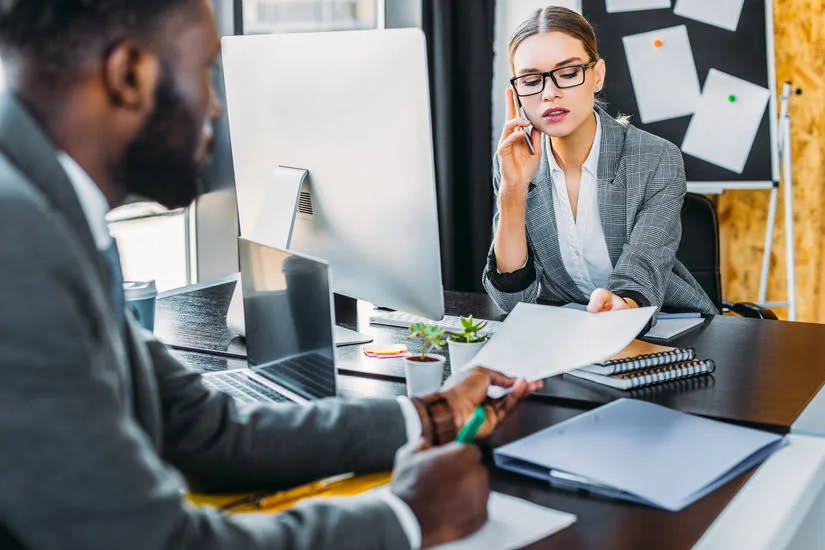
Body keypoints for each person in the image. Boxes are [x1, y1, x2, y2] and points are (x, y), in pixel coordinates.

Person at [0, 2, 540, 549]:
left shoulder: (48, 212)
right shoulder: (16, 239)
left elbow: (205, 430)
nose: (214, 107)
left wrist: (430, 416)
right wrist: (407, 519)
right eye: (206, 74)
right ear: (130, 75)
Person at [482, 6, 717, 315]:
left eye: (567, 74)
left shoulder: (656, 159)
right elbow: (512, 301)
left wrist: (619, 305)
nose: (549, 93)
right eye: (530, 81)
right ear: (515, 92)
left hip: (663, 324)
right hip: (568, 330)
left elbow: (642, 274)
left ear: (597, 75)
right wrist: (513, 190)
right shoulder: (515, 163)